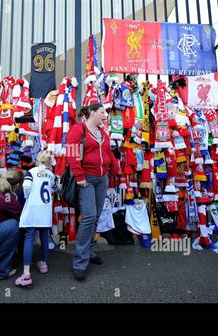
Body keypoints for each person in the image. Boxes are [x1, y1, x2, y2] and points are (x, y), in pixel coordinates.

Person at [66, 103, 121, 281]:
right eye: (101, 112)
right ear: (91, 113)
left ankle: (89, 252)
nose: (104, 115)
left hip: (102, 178)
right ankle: (80, 262)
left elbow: (107, 152)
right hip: (86, 179)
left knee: (96, 216)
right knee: (89, 216)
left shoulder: (102, 132)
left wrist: (114, 166)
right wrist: (79, 175)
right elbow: (72, 153)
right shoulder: (78, 129)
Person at [15, 151, 58, 287]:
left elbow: (26, 187)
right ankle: (43, 264)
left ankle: (26, 272)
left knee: (29, 236)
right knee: (45, 235)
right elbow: (57, 188)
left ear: (37, 160)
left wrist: (28, 196)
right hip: (45, 209)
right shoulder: (51, 175)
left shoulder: (31, 172)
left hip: (33, 207)